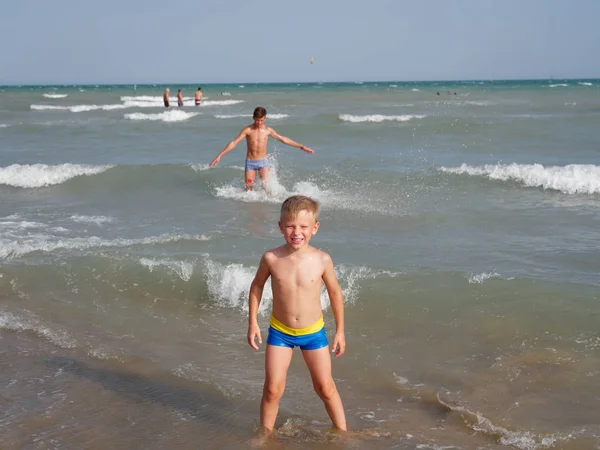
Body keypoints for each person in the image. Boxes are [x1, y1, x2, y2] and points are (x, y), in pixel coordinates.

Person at [248, 195, 347, 433]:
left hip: (313, 333)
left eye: (303, 226)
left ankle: (344, 434)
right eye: (290, 226)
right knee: (273, 389)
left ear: (315, 227)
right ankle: (265, 436)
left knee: (325, 387)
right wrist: (252, 322)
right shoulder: (271, 258)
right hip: (280, 332)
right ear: (281, 227)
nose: (297, 232)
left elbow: (335, 293)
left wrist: (340, 331)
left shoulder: (322, 259)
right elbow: (257, 286)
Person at [209, 107, 314, 191]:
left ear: (265, 119)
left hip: (263, 163)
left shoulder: (268, 130)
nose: (259, 123)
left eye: (261, 120)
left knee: (266, 188)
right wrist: (220, 155)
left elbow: (283, 139)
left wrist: (301, 146)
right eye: (257, 120)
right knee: (248, 188)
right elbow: (234, 142)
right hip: (250, 163)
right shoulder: (248, 130)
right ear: (253, 118)